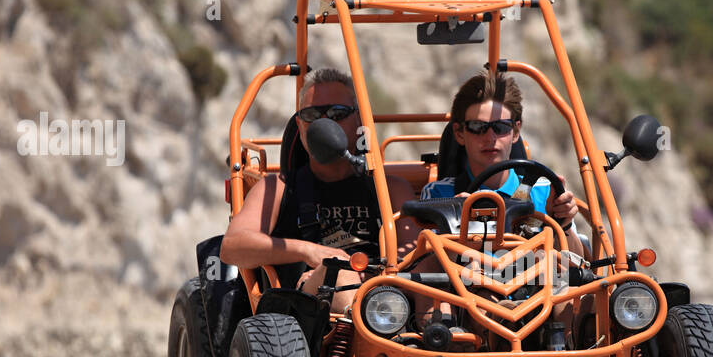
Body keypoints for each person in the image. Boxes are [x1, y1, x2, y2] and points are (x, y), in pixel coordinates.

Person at [220, 68, 419, 313]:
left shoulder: (392, 188)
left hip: (386, 296)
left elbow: (417, 257)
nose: (324, 125)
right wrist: (309, 251)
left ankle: (446, 336)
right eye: (313, 115)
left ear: (358, 120)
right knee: (338, 273)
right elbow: (232, 246)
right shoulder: (277, 188)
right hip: (307, 315)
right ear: (300, 125)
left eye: (337, 113)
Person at [422, 71, 586, 257]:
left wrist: (562, 224)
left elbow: (576, 268)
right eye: (478, 127)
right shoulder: (439, 195)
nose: (490, 138)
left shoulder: (545, 192)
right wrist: (457, 224)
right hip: (464, 284)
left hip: (536, 283)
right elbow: (424, 267)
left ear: (515, 132)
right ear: (459, 133)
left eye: (500, 128)